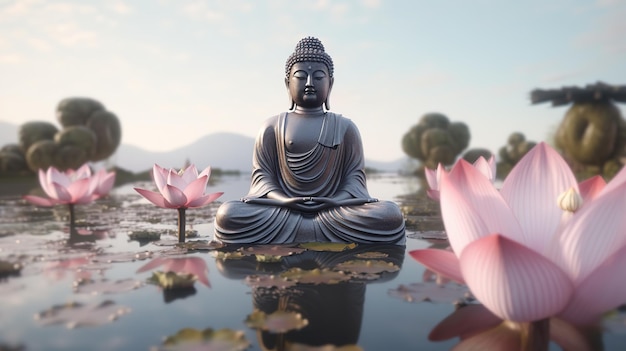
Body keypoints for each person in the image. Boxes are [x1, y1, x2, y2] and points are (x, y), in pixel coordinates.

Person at [214, 37, 405, 244]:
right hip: (282, 212)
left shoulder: (345, 127)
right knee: (228, 213)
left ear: (330, 84)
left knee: (389, 214)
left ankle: (302, 232)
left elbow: (354, 182)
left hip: (334, 211)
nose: (309, 83)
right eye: (301, 76)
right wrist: (286, 201)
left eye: (318, 76)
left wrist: (331, 201)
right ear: (288, 83)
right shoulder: (271, 127)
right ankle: (314, 232)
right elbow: (263, 181)